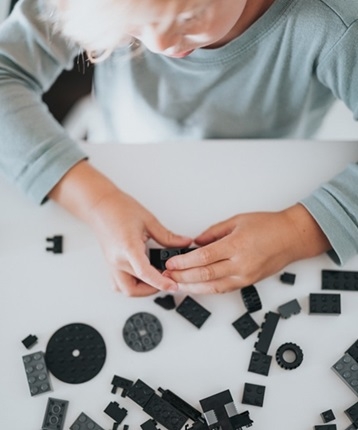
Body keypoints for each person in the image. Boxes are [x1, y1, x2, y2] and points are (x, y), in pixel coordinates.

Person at [0, 0, 357, 297]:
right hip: (122, 159)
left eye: (190, 17)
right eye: (133, 28)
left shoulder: (335, 23)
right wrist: (96, 201)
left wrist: (298, 232)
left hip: (268, 176)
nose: (159, 45)